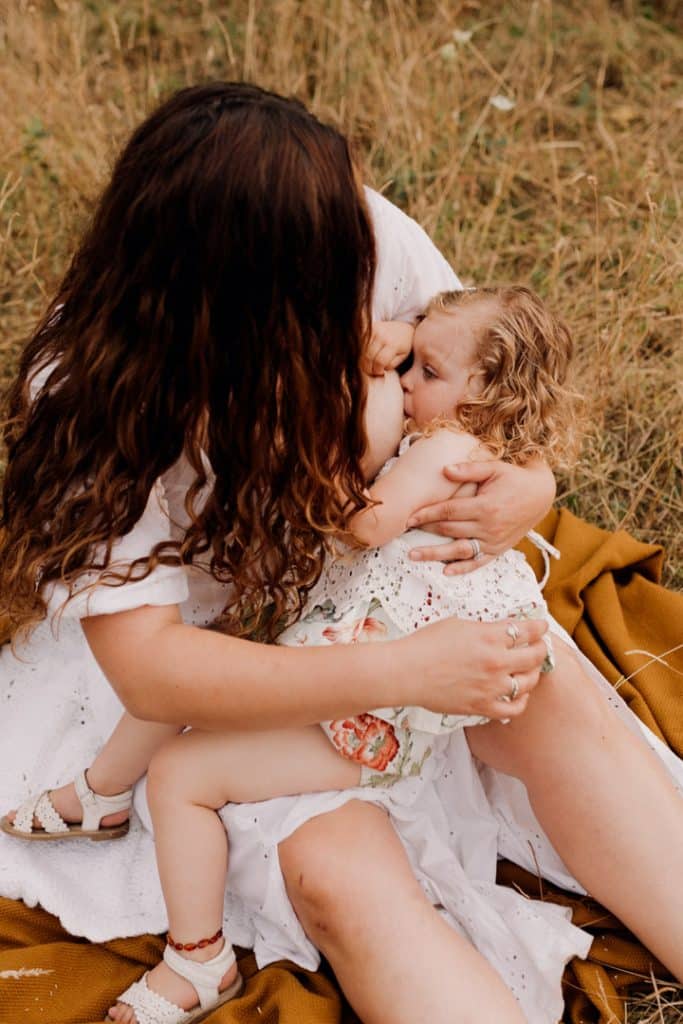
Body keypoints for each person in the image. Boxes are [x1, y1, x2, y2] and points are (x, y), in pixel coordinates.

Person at [0, 82, 680, 1024]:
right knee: (334, 867)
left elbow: (478, 396)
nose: (359, 269)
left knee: (548, 696)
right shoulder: (88, 391)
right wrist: (405, 668)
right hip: (220, 667)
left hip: (389, 583)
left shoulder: (349, 233)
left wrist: (530, 488)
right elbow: (155, 671)